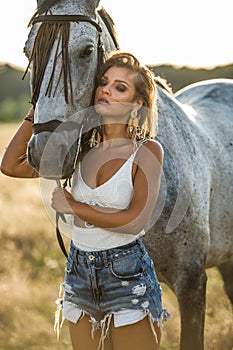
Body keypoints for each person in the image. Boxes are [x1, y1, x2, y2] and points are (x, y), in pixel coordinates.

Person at [1, 51, 170, 350]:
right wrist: (37, 107)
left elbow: (134, 221)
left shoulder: (146, 151)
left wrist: (75, 207)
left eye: (120, 87)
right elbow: (11, 165)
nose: (105, 89)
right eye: (104, 82)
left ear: (137, 104)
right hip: (78, 276)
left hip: (126, 278)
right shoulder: (77, 148)